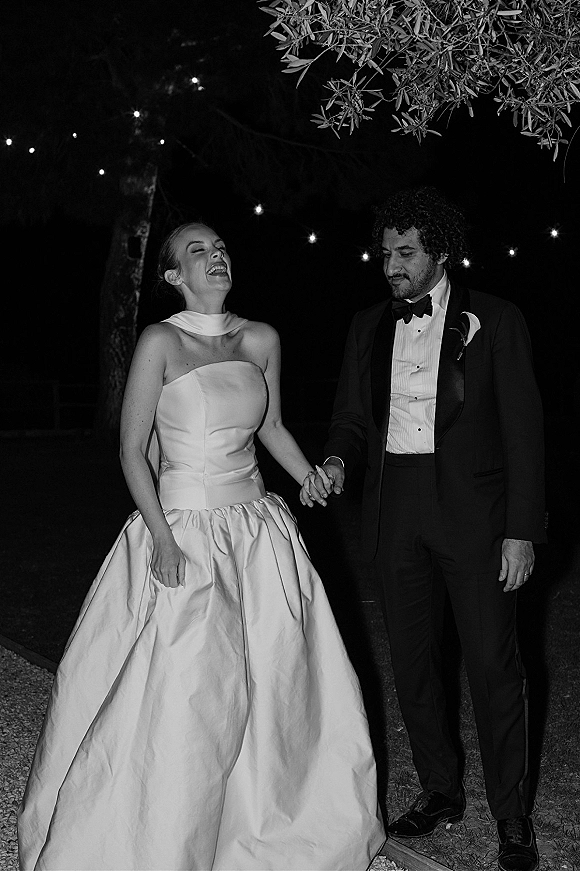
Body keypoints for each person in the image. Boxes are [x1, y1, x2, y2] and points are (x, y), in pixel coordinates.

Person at [18, 222, 385, 871]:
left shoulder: (261, 337)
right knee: (190, 689)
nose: (215, 256)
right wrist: (161, 537)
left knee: (272, 681)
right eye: (197, 251)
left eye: (219, 248)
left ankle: (262, 824)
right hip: (183, 530)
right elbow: (132, 450)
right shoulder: (160, 341)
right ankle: (160, 836)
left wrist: (308, 477)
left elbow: (271, 425)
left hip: (256, 531)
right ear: (172, 275)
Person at [306, 188, 545, 871]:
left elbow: (525, 431)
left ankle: (511, 812)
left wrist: (522, 529)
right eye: (385, 253)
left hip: (476, 514)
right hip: (395, 512)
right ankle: (441, 789)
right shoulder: (366, 326)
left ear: (439, 252)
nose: (391, 266)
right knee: (413, 663)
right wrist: (336, 459)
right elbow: (351, 419)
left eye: (405, 253)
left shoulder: (496, 319)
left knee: (493, 664)